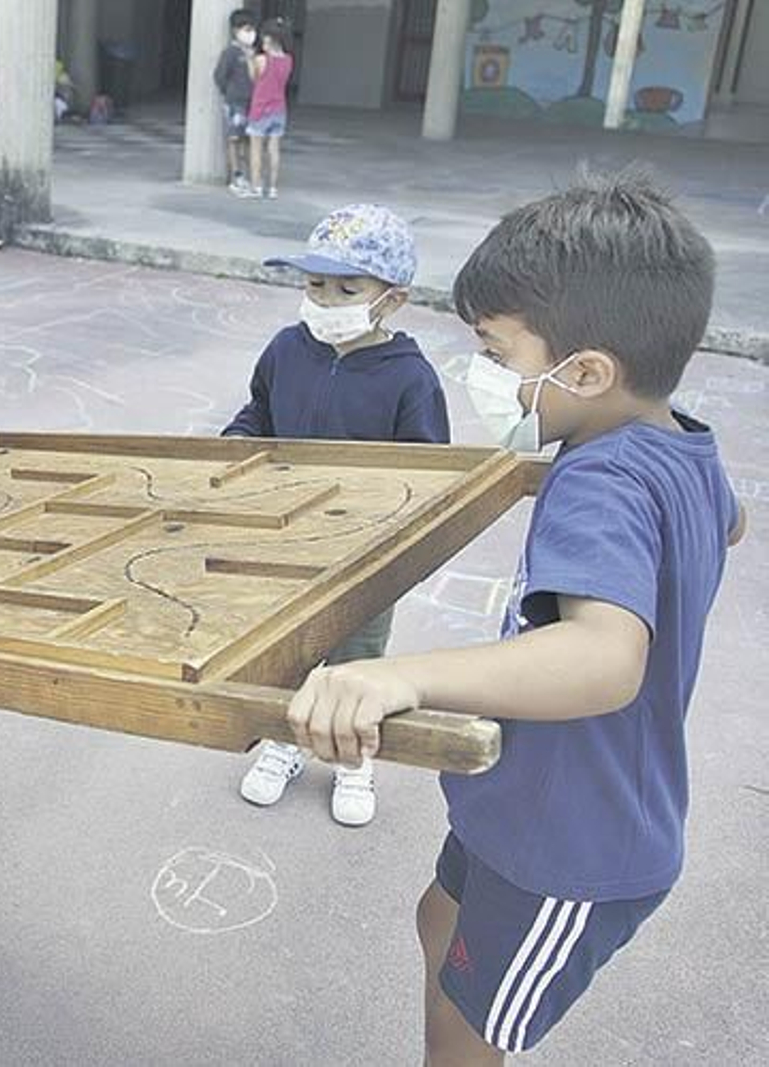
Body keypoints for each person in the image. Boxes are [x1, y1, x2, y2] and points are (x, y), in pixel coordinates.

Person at [286, 174, 746, 1062]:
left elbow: (606, 657)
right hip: (526, 806)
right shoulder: (675, 439)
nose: (486, 374)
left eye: (497, 352)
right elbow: (732, 516)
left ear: (587, 371)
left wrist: (395, 673)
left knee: (467, 1029)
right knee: (439, 919)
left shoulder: (601, 477)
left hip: (569, 845)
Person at [222, 204, 448, 827]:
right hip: (284, 541)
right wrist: (232, 449)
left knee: (357, 662)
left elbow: (430, 476)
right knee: (287, 651)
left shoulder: (412, 379)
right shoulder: (285, 349)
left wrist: (395, 549)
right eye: (315, 285)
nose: (326, 300)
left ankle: (354, 760)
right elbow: (256, 416)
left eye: (348, 288)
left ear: (392, 300)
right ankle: (286, 740)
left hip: (365, 556)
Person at [242, 17, 293, 200]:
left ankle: (255, 186)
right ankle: (272, 188)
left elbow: (254, 79)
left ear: (270, 39)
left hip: (260, 109)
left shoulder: (261, 60)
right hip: (279, 109)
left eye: (264, 39)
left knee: (256, 149)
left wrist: (249, 59)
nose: (262, 42)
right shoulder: (288, 60)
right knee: (274, 149)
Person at [213, 9, 258, 194]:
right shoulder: (231, 53)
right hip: (235, 103)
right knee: (234, 139)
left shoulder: (254, 53)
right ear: (235, 30)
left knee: (248, 140)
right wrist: (229, 92)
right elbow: (219, 76)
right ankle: (236, 176)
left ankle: (248, 174)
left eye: (252, 29)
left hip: (253, 103)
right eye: (246, 29)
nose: (250, 33)